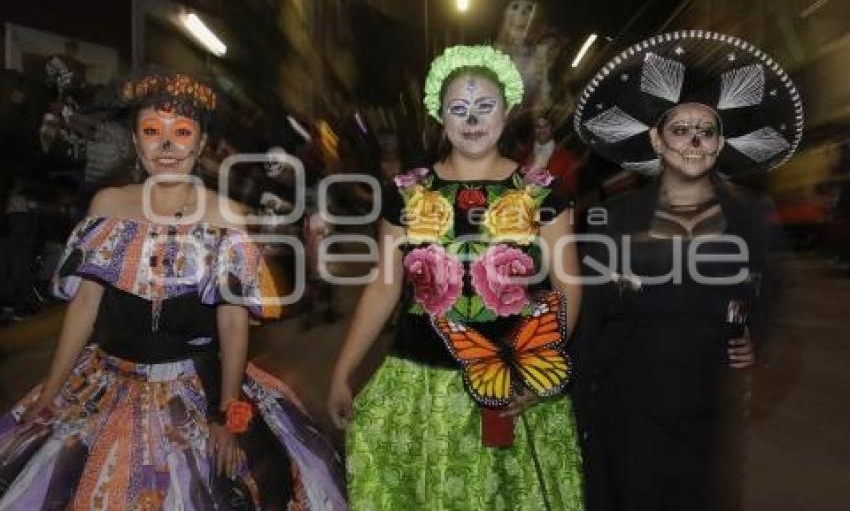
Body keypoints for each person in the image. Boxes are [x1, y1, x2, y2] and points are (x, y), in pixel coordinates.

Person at [0, 70, 346, 510]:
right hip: (106, 383)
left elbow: (233, 321)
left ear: (201, 145)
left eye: (182, 133)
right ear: (135, 140)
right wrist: (50, 391)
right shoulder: (107, 206)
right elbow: (85, 305)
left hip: (196, 386)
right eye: (151, 131)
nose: (166, 147)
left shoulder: (226, 218)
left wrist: (226, 412)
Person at [328, 45, 584, 509]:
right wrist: (343, 370)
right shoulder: (405, 193)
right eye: (458, 109)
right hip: (419, 386)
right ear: (440, 117)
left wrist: (538, 373)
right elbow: (385, 286)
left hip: (514, 378)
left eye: (484, 107)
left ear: (506, 113)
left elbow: (568, 286)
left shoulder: (541, 192)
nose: (471, 120)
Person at [572, 30, 799, 511]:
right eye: (680, 129)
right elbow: (588, 319)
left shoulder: (750, 216)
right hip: (625, 406)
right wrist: (570, 407)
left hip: (705, 409)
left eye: (707, 130)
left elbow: (774, 289)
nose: (694, 141)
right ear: (656, 139)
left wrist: (758, 337)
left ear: (720, 144)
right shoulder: (614, 219)